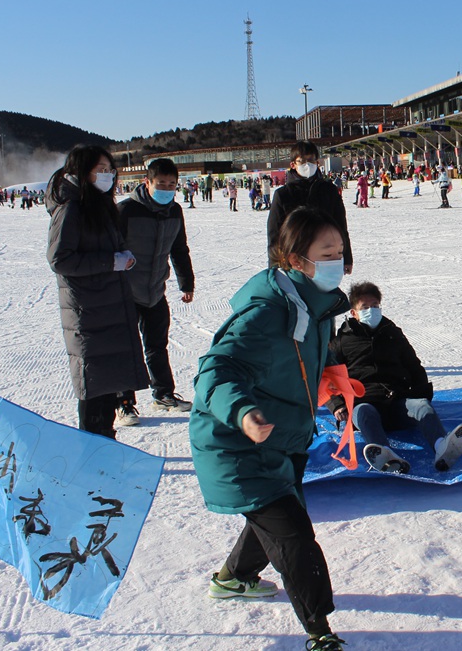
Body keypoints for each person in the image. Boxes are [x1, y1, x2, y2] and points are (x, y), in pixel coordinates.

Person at [190, 208, 349, 651]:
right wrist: (243, 413)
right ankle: (320, 633)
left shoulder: (317, 305)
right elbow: (214, 372)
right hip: (237, 442)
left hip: (283, 436)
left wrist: (334, 390)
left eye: (340, 251)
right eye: (327, 254)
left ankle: (234, 578)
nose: (338, 262)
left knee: (274, 516)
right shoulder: (266, 312)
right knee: (293, 536)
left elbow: (313, 359)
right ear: (297, 260)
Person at [45, 145, 148, 438]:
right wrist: (110, 262)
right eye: (100, 169)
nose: (107, 175)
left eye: (110, 170)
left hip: (107, 305)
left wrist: (122, 256)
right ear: (81, 171)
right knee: (94, 389)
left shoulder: (97, 204)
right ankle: (93, 449)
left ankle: (105, 443)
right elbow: (59, 259)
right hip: (88, 310)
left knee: (106, 387)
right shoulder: (71, 208)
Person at [328, 281, 462, 473]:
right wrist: (337, 405)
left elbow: (414, 366)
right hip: (364, 402)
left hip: (397, 401)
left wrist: (421, 397)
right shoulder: (342, 341)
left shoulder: (393, 333)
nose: (371, 311)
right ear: (354, 312)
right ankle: (385, 455)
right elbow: (328, 377)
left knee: (422, 406)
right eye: (365, 307)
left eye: (375, 306)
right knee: (364, 412)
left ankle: (442, 446)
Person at [117, 157, 196, 421]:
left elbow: (179, 249)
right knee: (126, 347)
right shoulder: (126, 211)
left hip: (154, 291)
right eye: (161, 183)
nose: (167, 189)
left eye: (172, 184)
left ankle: (163, 394)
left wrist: (186, 283)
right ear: (147, 182)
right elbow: (111, 249)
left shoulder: (174, 211)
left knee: (157, 345)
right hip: (126, 292)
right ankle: (124, 402)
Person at [267, 141, 353, 273]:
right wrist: (275, 266)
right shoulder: (283, 194)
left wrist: (346, 257)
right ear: (293, 165)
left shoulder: (329, 190)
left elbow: (340, 225)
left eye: (311, 160)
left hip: (325, 257)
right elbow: (274, 233)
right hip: (295, 260)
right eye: (302, 161)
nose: (307, 164)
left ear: (317, 162)